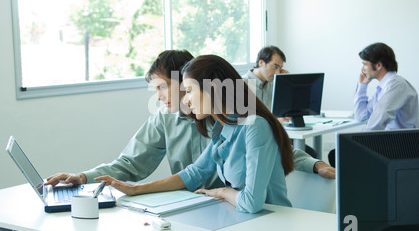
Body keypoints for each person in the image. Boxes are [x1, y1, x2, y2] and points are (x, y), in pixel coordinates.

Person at [46, 50, 334, 189]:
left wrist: (316, 164)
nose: (158, 96)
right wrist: (83, 177)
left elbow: (271, 143)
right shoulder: (164, 119)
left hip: (230, 205)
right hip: (191, 204)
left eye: (161, 87)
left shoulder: (221, 114)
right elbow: (130, 164)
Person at [96, 55, 295, 213]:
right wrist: (135, 189)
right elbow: (195, 172)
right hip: (244, 220)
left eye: (190, 90)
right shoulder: (223, 128)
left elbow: (251, 203)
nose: (187, 100)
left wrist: (221, 191)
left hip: (273, 224)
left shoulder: (254, 126)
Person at [354, 42, 419, 131]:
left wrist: (358, 140)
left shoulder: (396, 84)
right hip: (395, 140)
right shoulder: (383, 87)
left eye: (364, 64)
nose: (362, 69)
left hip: (405, 142)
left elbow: (375, 126)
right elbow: (361, 116)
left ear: (379, 65)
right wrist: (362, 85)